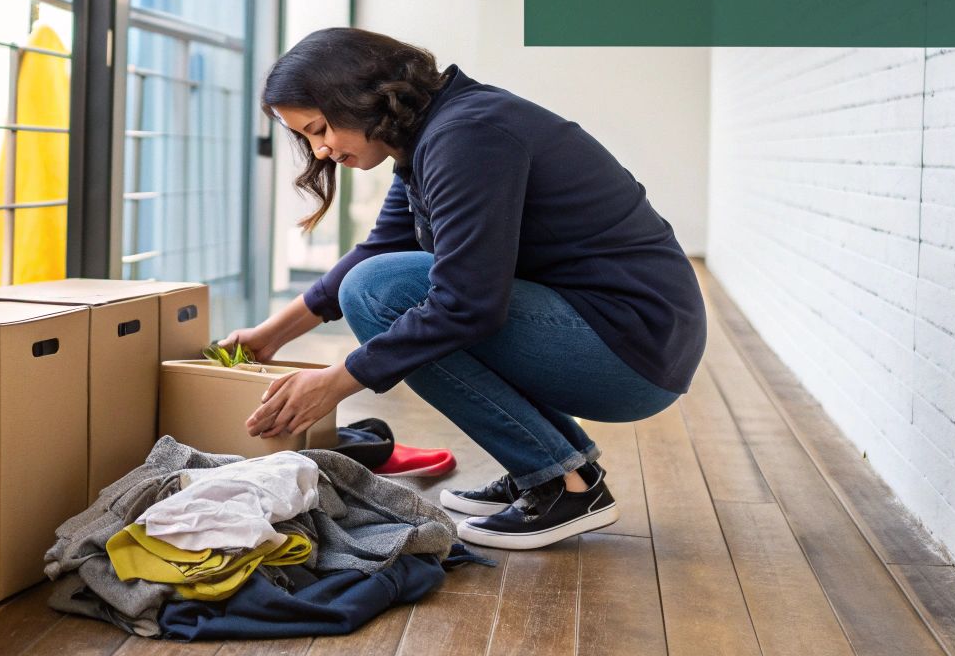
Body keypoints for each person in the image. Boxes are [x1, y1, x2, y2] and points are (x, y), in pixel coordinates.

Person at [221, 28, 706, 550]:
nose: (320, 150)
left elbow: (466, 305)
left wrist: (337, 381)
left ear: (357, 96)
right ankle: (559, 468)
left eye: (319, 129)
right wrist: (271, 335)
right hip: (628, 334)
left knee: (380, 291)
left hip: (630, 350)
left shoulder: (468, 136)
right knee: (380, 278)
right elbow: (380, 247)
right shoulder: (432, 134)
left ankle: (562, 486)